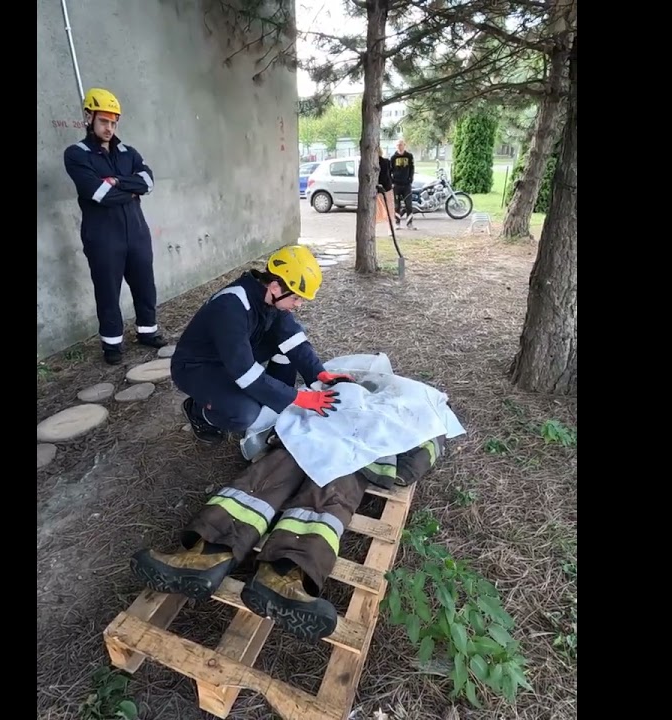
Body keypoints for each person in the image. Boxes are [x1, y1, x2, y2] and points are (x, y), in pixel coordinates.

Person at [131, 432, 446, 641]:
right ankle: (206, 556)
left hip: (356, 452)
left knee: (321, 497)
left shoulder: (412, 402)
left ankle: (280, 576)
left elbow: (432, 439)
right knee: (263, 484)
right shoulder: (338, 380)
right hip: (309, 439)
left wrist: (403, 470)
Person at [170, 245, 352, 444]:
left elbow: (293, 340)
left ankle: (274, 403)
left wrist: (318, 374)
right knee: (245, 413)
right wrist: (297, 398)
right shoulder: (230, 306)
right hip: (197, 367)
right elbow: (244, 372)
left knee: (287, 345)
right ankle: (198, 412)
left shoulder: (270, 298)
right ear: (275, 287)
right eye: (296, 298)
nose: (298, 304)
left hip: (231, 356)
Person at [63, 87, 169, 365]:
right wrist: (128, 188)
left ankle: (148, 331)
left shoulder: (127, 152)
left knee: (145, 282)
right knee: (107, 289)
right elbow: (98, 194)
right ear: (89, 118)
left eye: (113, 122)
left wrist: (118, 182)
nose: (109, 128)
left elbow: (148, 183)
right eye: (103, 121)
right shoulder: (77, 154)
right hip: (102, 236)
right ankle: (112, 344)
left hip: (136, 230)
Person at [391, 139, 416, 229]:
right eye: (398, 145)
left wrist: (410, 179)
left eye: (401, 145)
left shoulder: (409, 156)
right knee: (397, 205)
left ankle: (409, 223)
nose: (399, 146)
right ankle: (397, 223)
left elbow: (412, 168)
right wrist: (392, 182)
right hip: (397, 185)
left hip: (406, 185)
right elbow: (390, 171)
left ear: (404, 145)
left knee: (408, 205)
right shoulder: (393, 157)